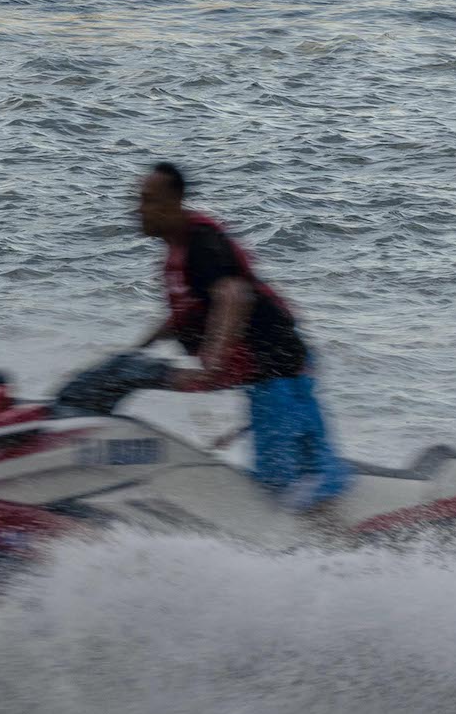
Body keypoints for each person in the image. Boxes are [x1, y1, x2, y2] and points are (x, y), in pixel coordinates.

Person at [136, 160, 353, 511]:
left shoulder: (203, 245)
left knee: (295, 480)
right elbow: (185, 312)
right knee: (279, 471)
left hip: (280, 369)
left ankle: (328, 545)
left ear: (173, 203)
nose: (139, 209)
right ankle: (313, 521)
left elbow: (233, 295)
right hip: (267, 374)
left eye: (147, 200)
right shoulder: (180, 250)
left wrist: (213, 363)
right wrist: (137, 350)